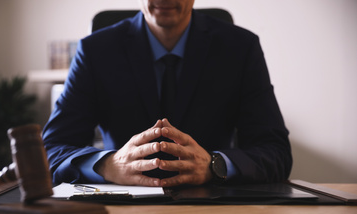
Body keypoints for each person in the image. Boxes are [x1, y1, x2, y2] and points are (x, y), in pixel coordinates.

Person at [42, 0, 292, 187]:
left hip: (214, 205)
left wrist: (216, 165)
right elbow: (52, 149)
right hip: (120, 209)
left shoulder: (241, 48)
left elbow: (276, 152)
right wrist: (107, 165)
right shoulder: (95, 51)